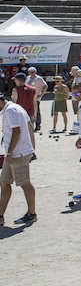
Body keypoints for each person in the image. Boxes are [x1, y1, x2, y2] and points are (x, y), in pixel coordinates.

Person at [0, 92, 37, 226]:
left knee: (24, 183)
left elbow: (17, 131)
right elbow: (30, 127)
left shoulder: (11, 111)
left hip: (18, 153)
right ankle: (0, 215)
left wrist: (10, 152)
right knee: (4, 182)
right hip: (13, 153)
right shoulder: (15, 107)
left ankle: (32, 213)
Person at [26, 67, 47, 132]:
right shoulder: (28, 78)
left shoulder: (39, 78)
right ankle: (29, 125)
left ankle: (38, 125)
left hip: (35, 97)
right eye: (30, 72)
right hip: (28, 98)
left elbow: (45, 86)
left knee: (37, 111)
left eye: (32, 72)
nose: (31, 74)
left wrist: (41, 94)